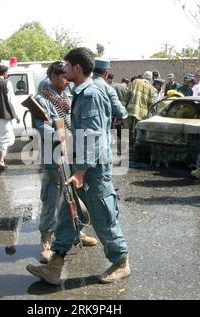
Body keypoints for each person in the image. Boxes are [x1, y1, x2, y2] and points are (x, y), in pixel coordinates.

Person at [26, 47, 130, 285]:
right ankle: (54, 267)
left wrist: (81, 171)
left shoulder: (91, 94)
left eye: (68, 66)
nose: (65, 70)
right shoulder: (81, 92)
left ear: (77, 68)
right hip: (80, 167)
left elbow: (93, 136)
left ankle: (122, 261)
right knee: (69, 215)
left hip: (93, 170)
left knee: (103, 217)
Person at [34, 61, 97, 263]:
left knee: (75, 193)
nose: (66, 79)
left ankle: (76, 232)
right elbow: (41, 126)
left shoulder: (68, 96)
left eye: (66, 76)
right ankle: (46, 241)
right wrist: (59, 137)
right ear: (52, 76)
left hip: (72, 152)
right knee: (52, 197)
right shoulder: (41, 99)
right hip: (54, 154)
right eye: (62, 76)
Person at [0, 66, 20, 170]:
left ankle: (1, 158)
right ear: (5, 73)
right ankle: (1, 161)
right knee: (6, 138)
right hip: (4, 116)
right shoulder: (7, 83)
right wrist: (16, 115)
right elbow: (11, 101)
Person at [92, 58, 128, 128]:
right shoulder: (108, 89)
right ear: (106, 73)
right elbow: (120, 112)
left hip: (80, 133)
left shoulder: (81, 86)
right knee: (121, 137)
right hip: (100, 130)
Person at [123, 71, 156, 143]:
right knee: (139, 130)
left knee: (126, 129)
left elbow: (127, 95)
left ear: (143, 76)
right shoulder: (152, 88)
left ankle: (124, 146)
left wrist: (122, 107)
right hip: (142, 113)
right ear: (151, 79)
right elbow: (152, 103)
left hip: (130, 110)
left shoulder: (135, 81)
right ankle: (137, 146)